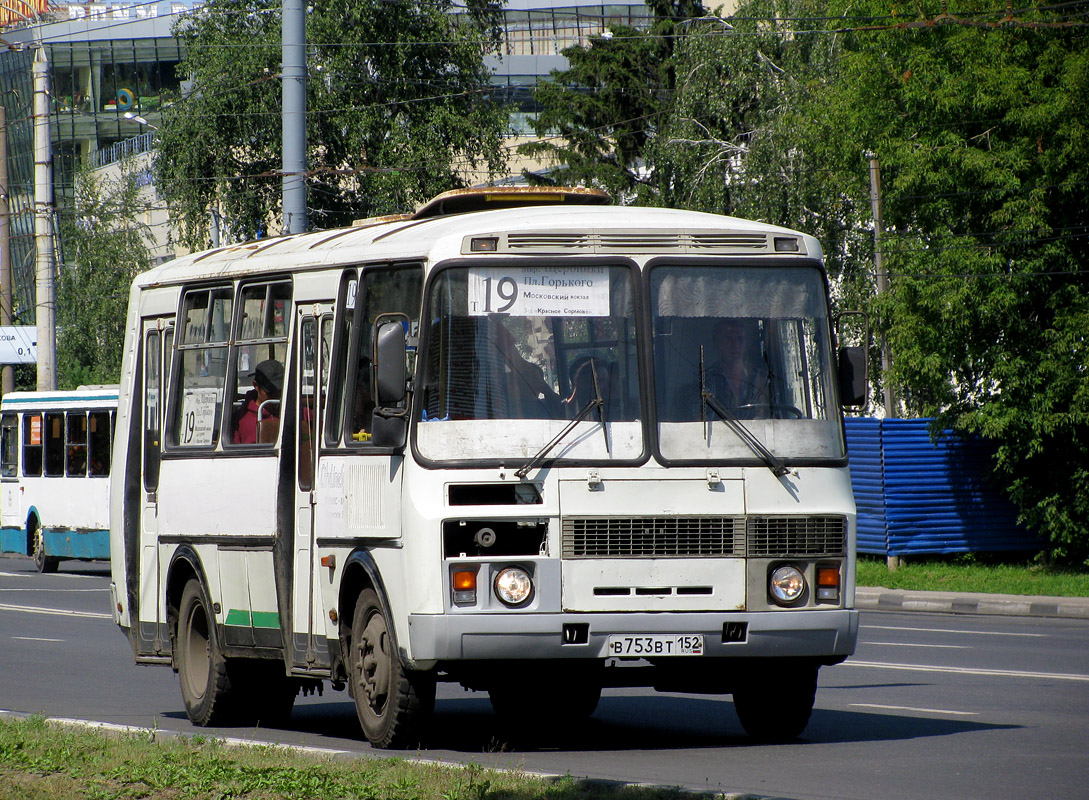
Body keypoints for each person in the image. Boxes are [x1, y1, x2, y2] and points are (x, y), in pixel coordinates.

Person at [704, 318, 771, 410]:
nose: (735, 345)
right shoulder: (707, 381)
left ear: (745, 344)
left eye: (740, 339)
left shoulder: (760, 379)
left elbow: (766, 416)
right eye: (728, 339)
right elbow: (700, 420)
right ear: (716, 344)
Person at [232, 359, 283, 444]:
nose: (275, 395)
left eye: (280, 391)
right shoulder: (242, 420)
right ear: (256, 385)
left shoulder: (294, 410)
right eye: (270, 391)